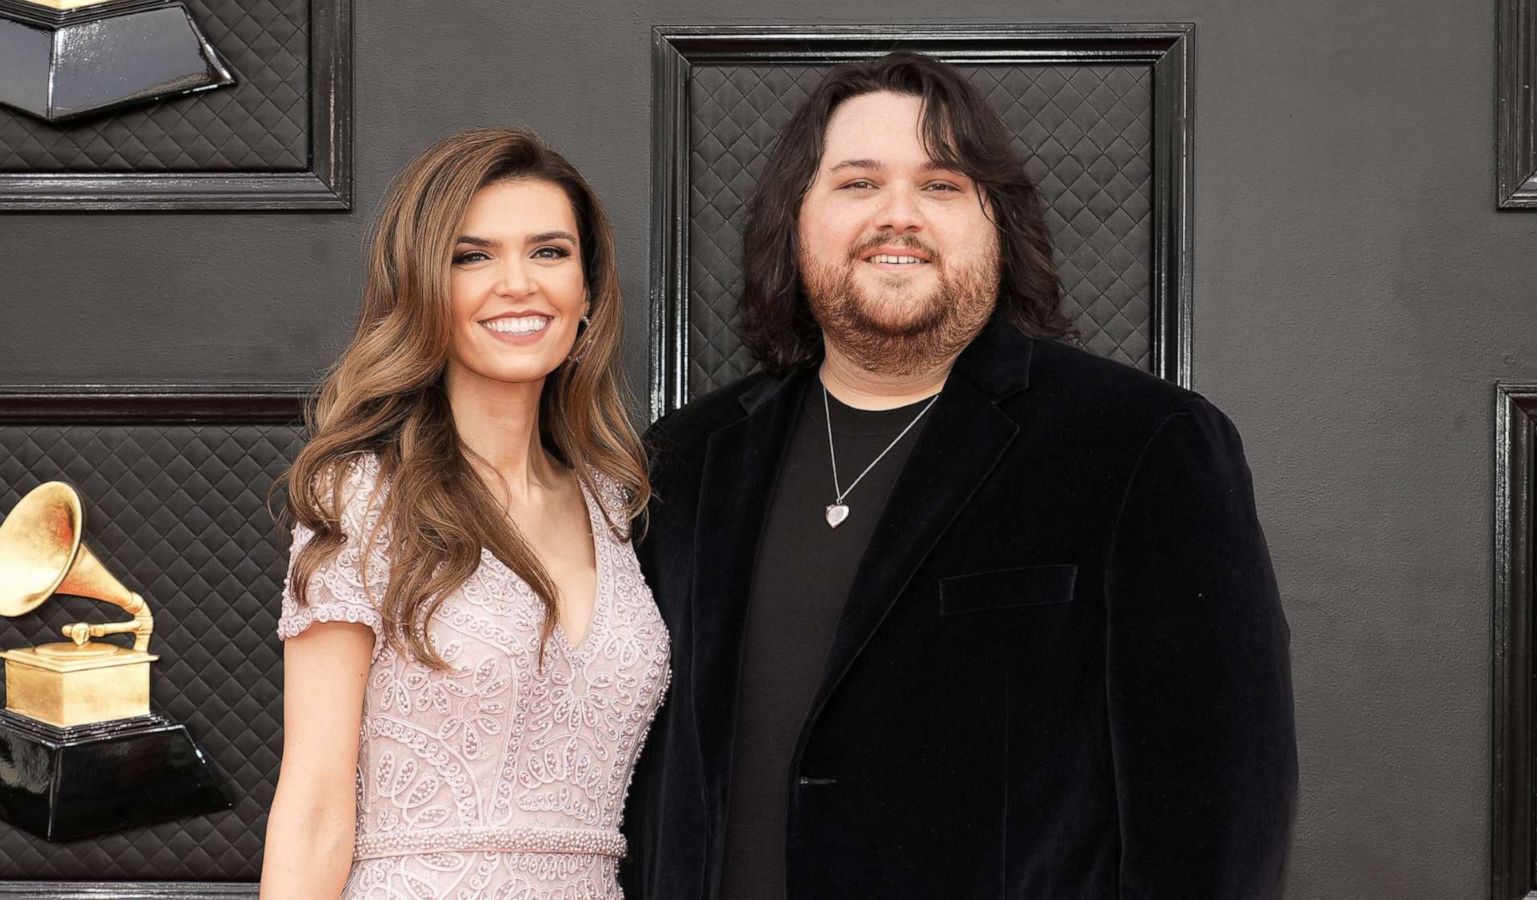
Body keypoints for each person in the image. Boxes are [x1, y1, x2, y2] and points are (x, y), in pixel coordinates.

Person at [621, 52, 1296, 899]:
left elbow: (1217, 818)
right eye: (857, 184)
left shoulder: (1143, 445)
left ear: (998, 226)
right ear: (794, 221)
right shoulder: (687, 459)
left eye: (941, 186)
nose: (898, 216)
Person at [260, 127, 669, 899]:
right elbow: (314, 805)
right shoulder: (361, 496)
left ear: (587, 291)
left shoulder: (612, 498)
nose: (518, 283)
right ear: (422, 288)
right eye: (471, 256)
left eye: (549, 252)